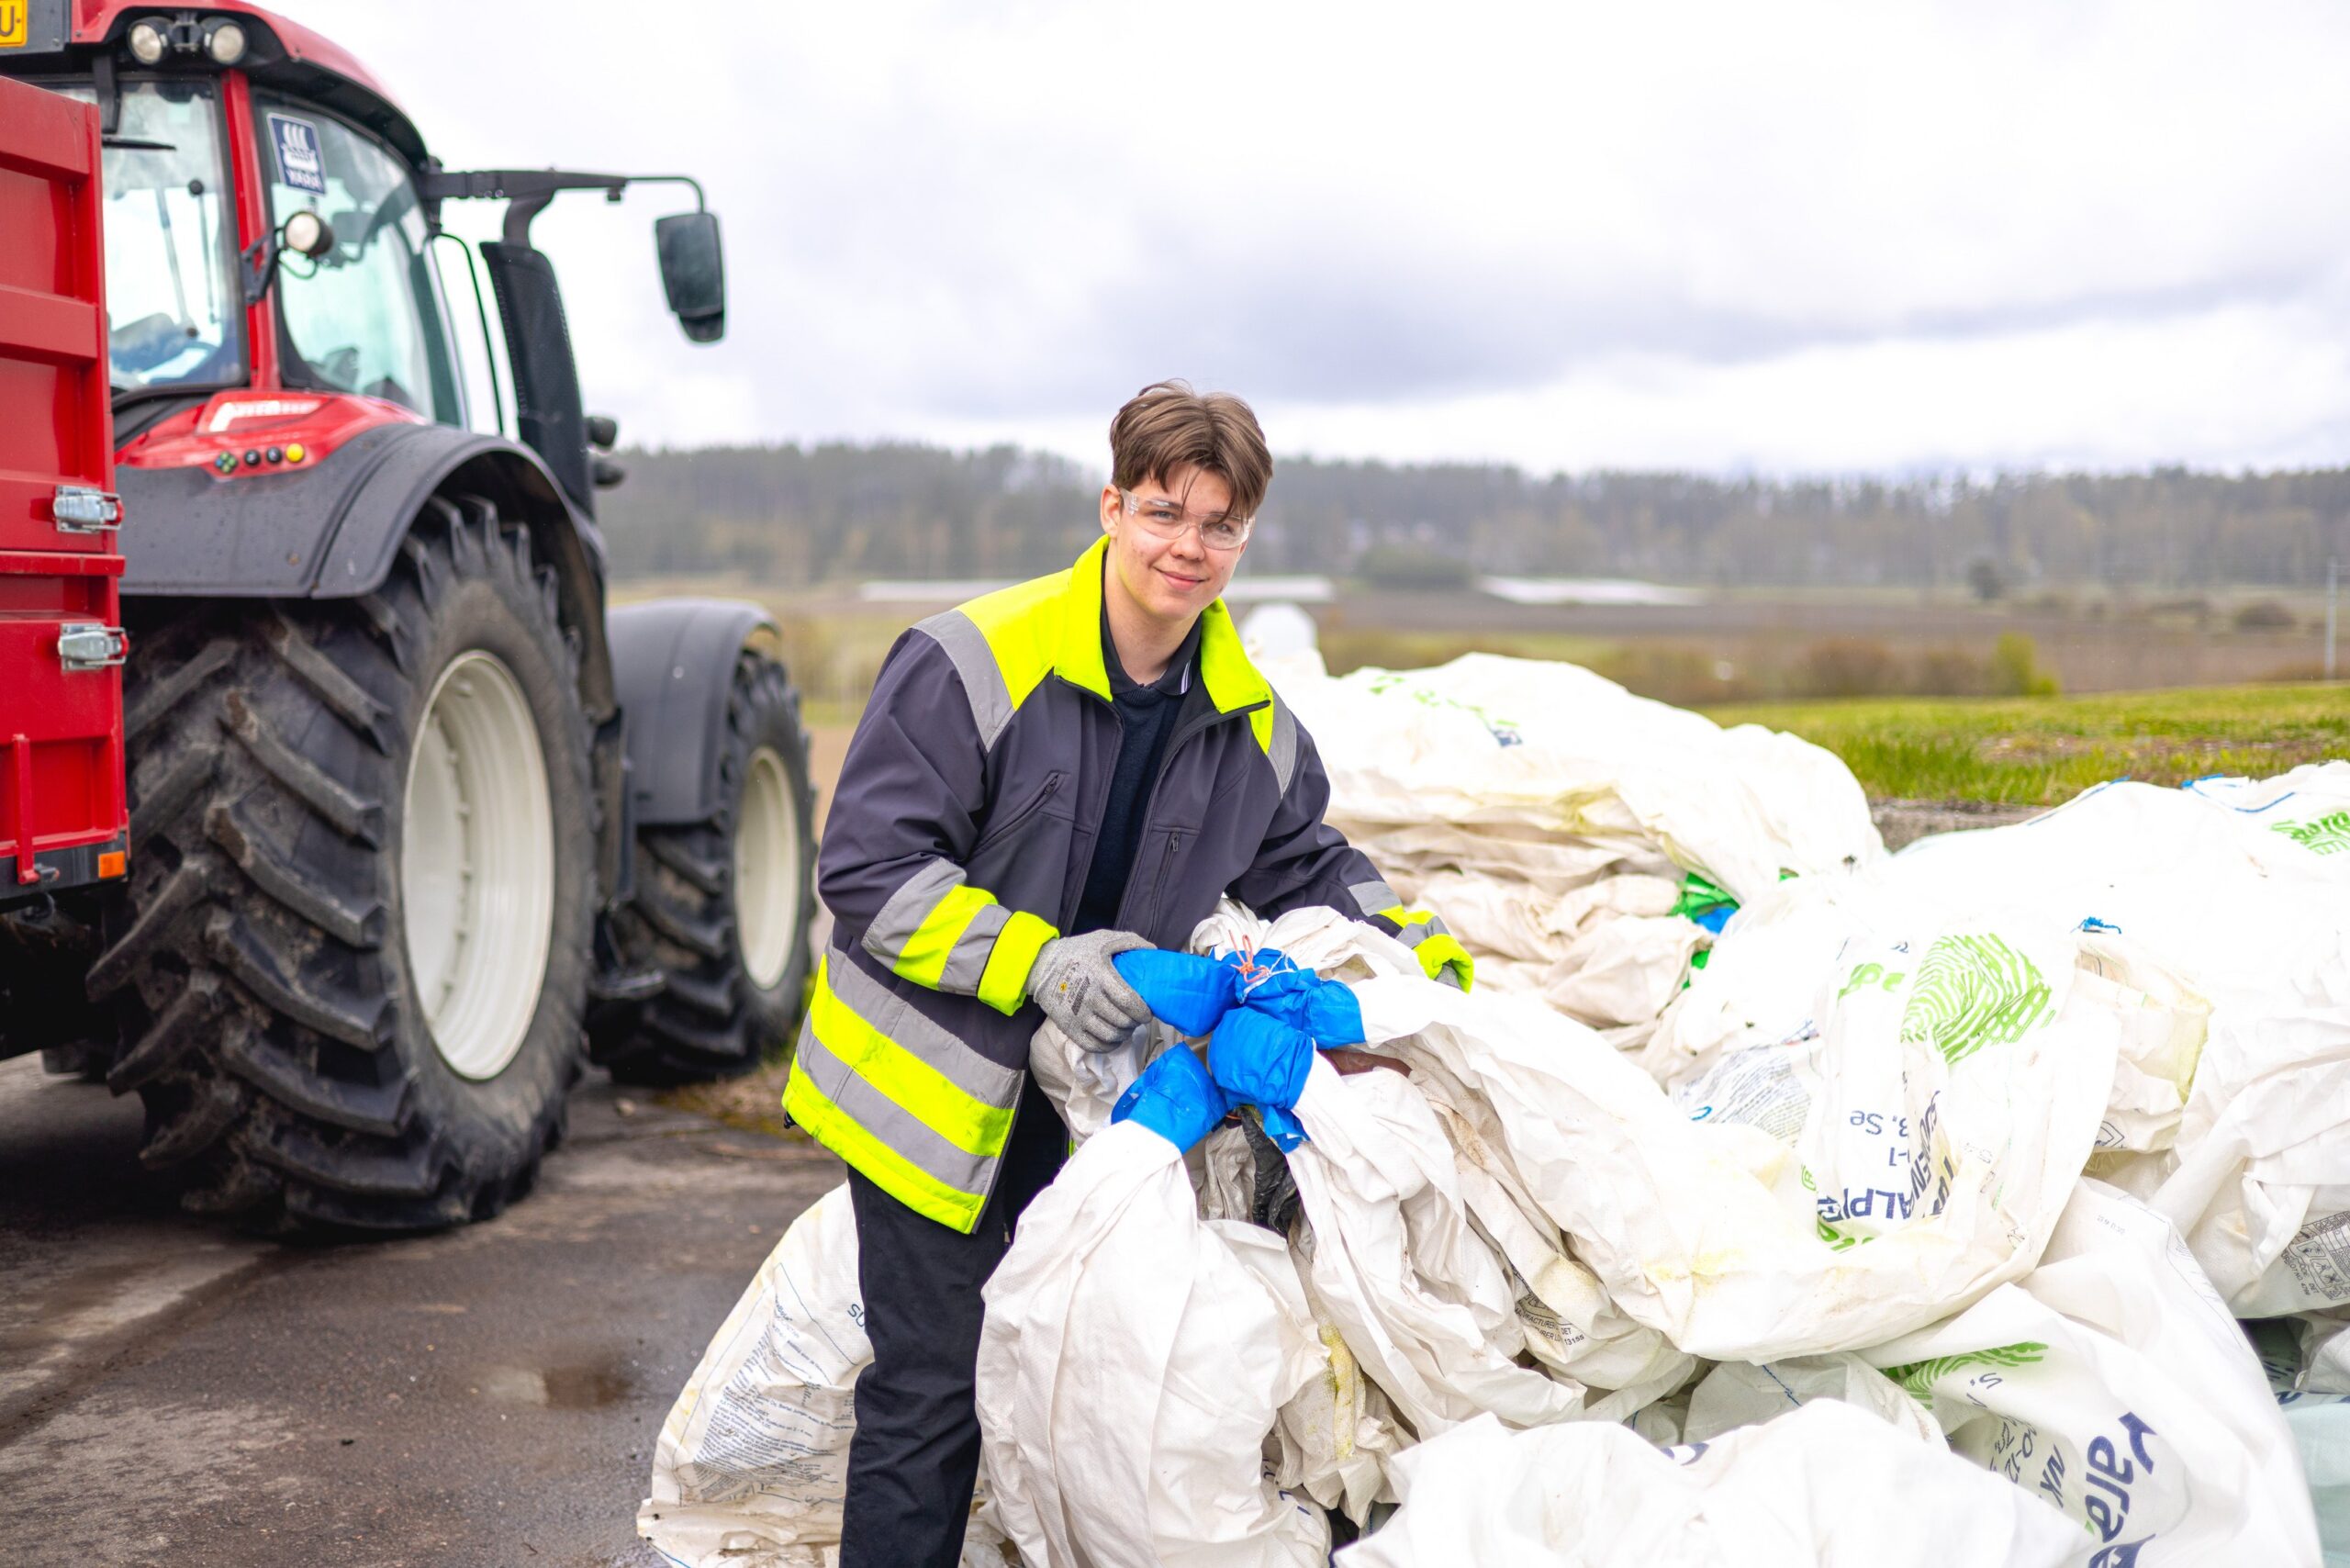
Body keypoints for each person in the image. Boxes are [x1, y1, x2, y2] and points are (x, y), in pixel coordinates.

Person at [782, 379, 1474, 1568]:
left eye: (1219, 525)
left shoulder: (1248, 720)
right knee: (934, 1394)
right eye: (1164, 512)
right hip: (928, 1095)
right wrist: (1036, 963)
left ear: (1246, 536)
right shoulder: (972, 660)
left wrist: (1421, 962)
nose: (1187, 548)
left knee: (1075, 1377)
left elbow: (1309, 858)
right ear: (1111, 507)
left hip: (1080, 1104)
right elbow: (867, 871)